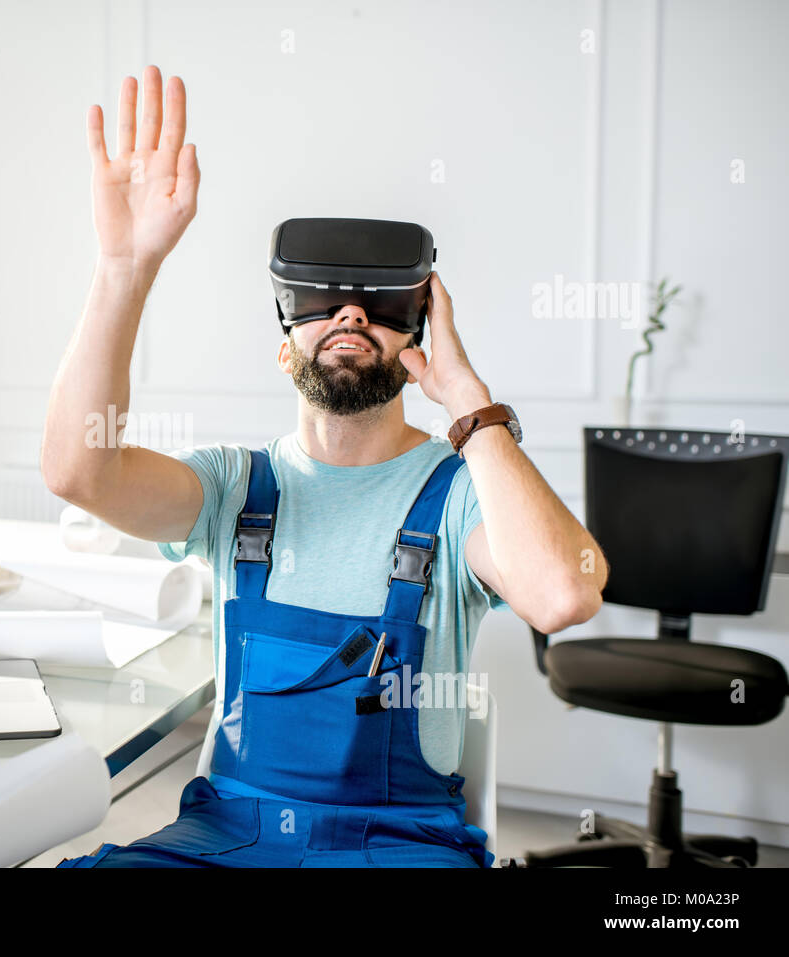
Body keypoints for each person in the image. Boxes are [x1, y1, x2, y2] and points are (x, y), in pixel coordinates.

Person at [41, 65, 608, 867]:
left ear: (417, 339)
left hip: (403, 844)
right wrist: (123, 268)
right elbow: (77, 472)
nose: (349, 314)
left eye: (378, 306)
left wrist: (469, 405)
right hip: (224, 835)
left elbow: (566, 594)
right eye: (322, 303)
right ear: (283, 350)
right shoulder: (234, 489)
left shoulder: (458, 497)